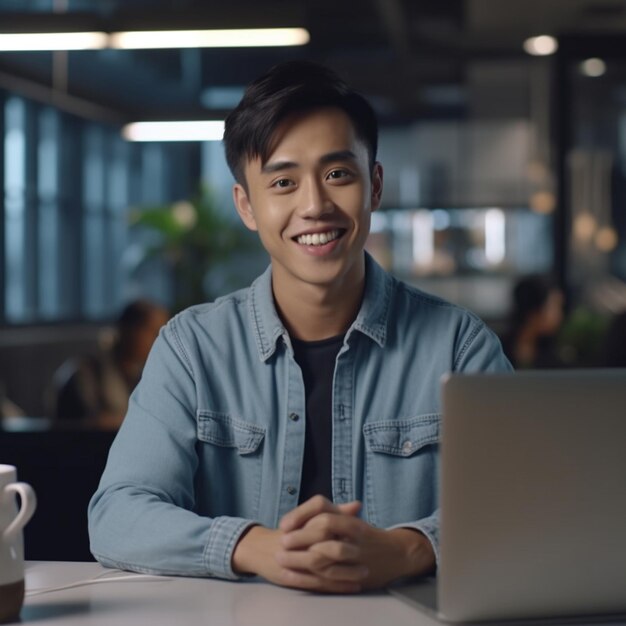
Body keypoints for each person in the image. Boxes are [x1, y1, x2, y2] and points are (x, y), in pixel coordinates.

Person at [88, 61, 512, 592]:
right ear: (247, 205)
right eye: (283, 182)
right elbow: (117, 515)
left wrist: (408, 548)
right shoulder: (190, 348)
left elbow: (527, 502)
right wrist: (254, 547)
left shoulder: (458, 346)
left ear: (374, 186)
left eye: (338, 174)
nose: (314, 206)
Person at [52, 299, 169, 428]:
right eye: (152, 331)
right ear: (127, 330)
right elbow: (93, 423)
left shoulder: (144, 375)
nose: (158, 340)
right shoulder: (86, 373)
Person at [500, 274, 565, 369]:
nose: (560, 315)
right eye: (555, 307)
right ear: (534, 312)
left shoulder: (556, 354)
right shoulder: (496, 351)